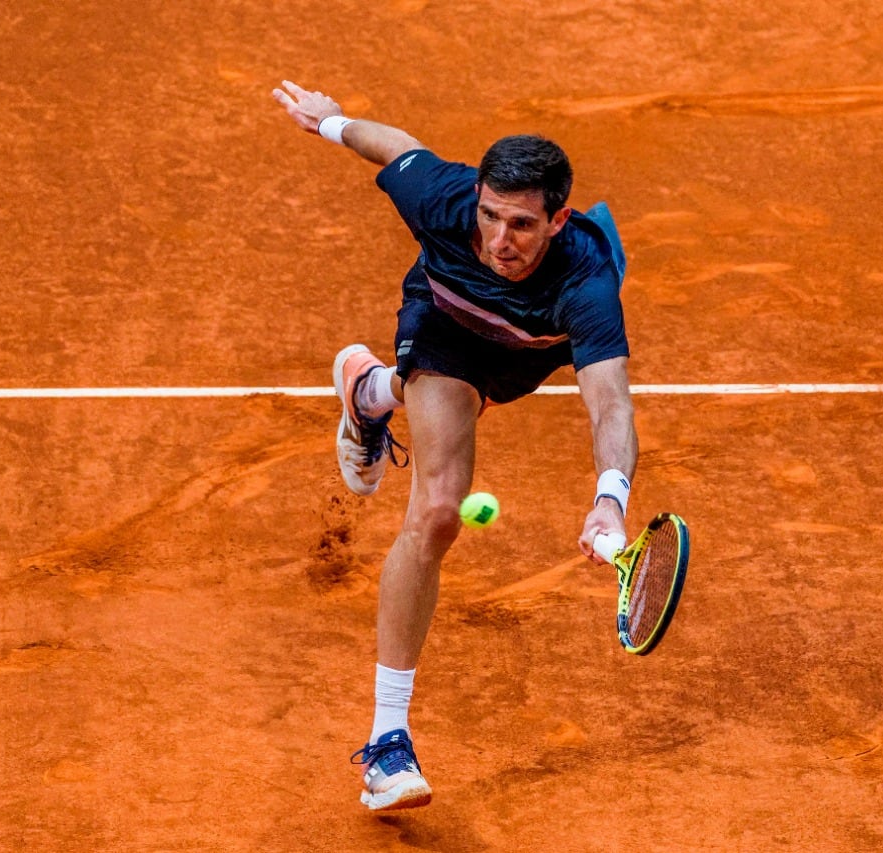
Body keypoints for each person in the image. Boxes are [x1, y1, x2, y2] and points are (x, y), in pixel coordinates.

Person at [271, 80, 638, 811]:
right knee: (439, 508)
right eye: (490, 216)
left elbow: (610, 402)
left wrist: (610, 498)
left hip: (525, 351)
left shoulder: (587, 281)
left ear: (559, 220)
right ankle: (387, 743)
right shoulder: (441, 199)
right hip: (444, 324)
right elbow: (396, 149)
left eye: (522, 225)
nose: (500, 240)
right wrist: (333, 122)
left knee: (457, 404)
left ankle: (369, 391)